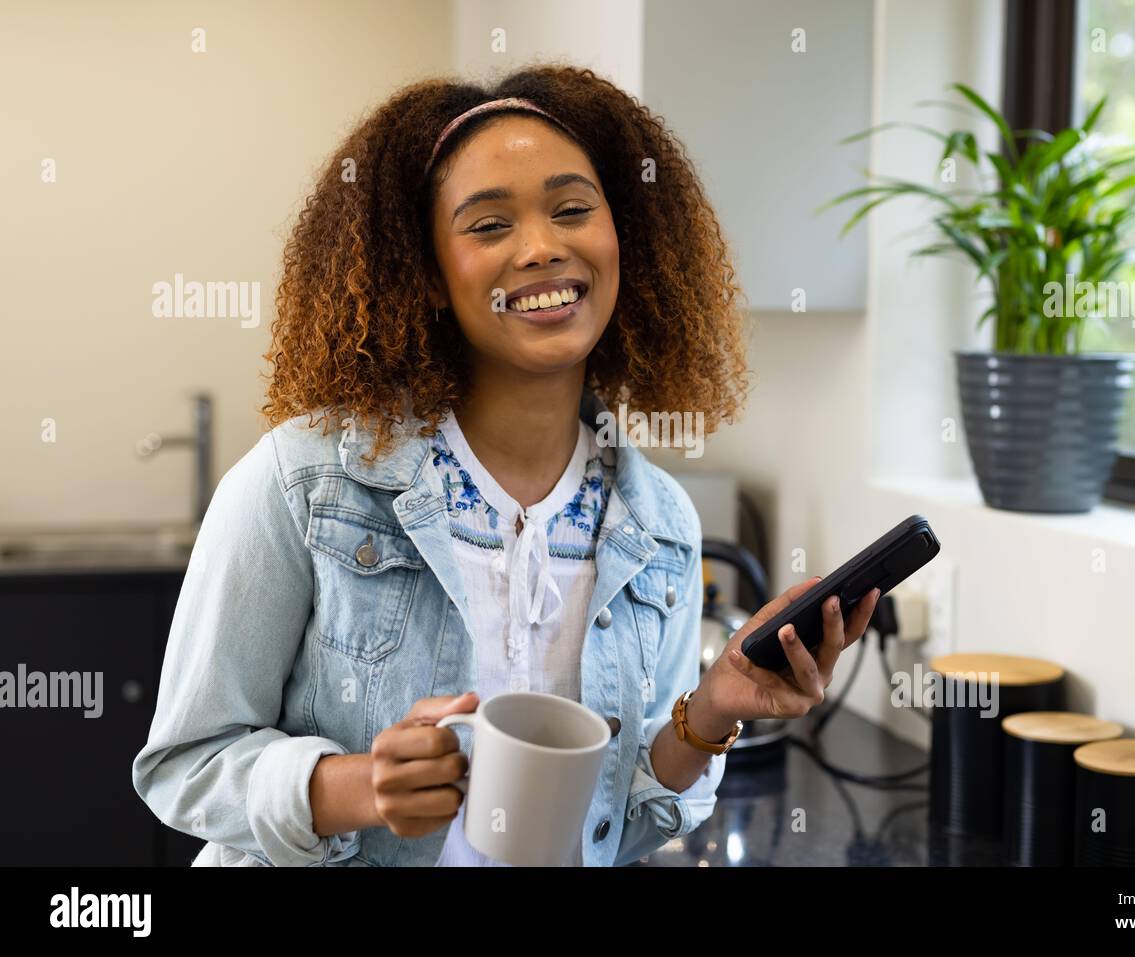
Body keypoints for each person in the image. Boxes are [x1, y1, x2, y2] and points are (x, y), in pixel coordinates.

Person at [132, 64, 881, 866]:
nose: (541, 247)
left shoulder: (660, 525)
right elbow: (184, 764)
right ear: (424, 272)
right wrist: (356, 786)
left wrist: (713, 711)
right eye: (489, 225)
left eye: (571, 210)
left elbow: (612, 828)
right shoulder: (301, 481)